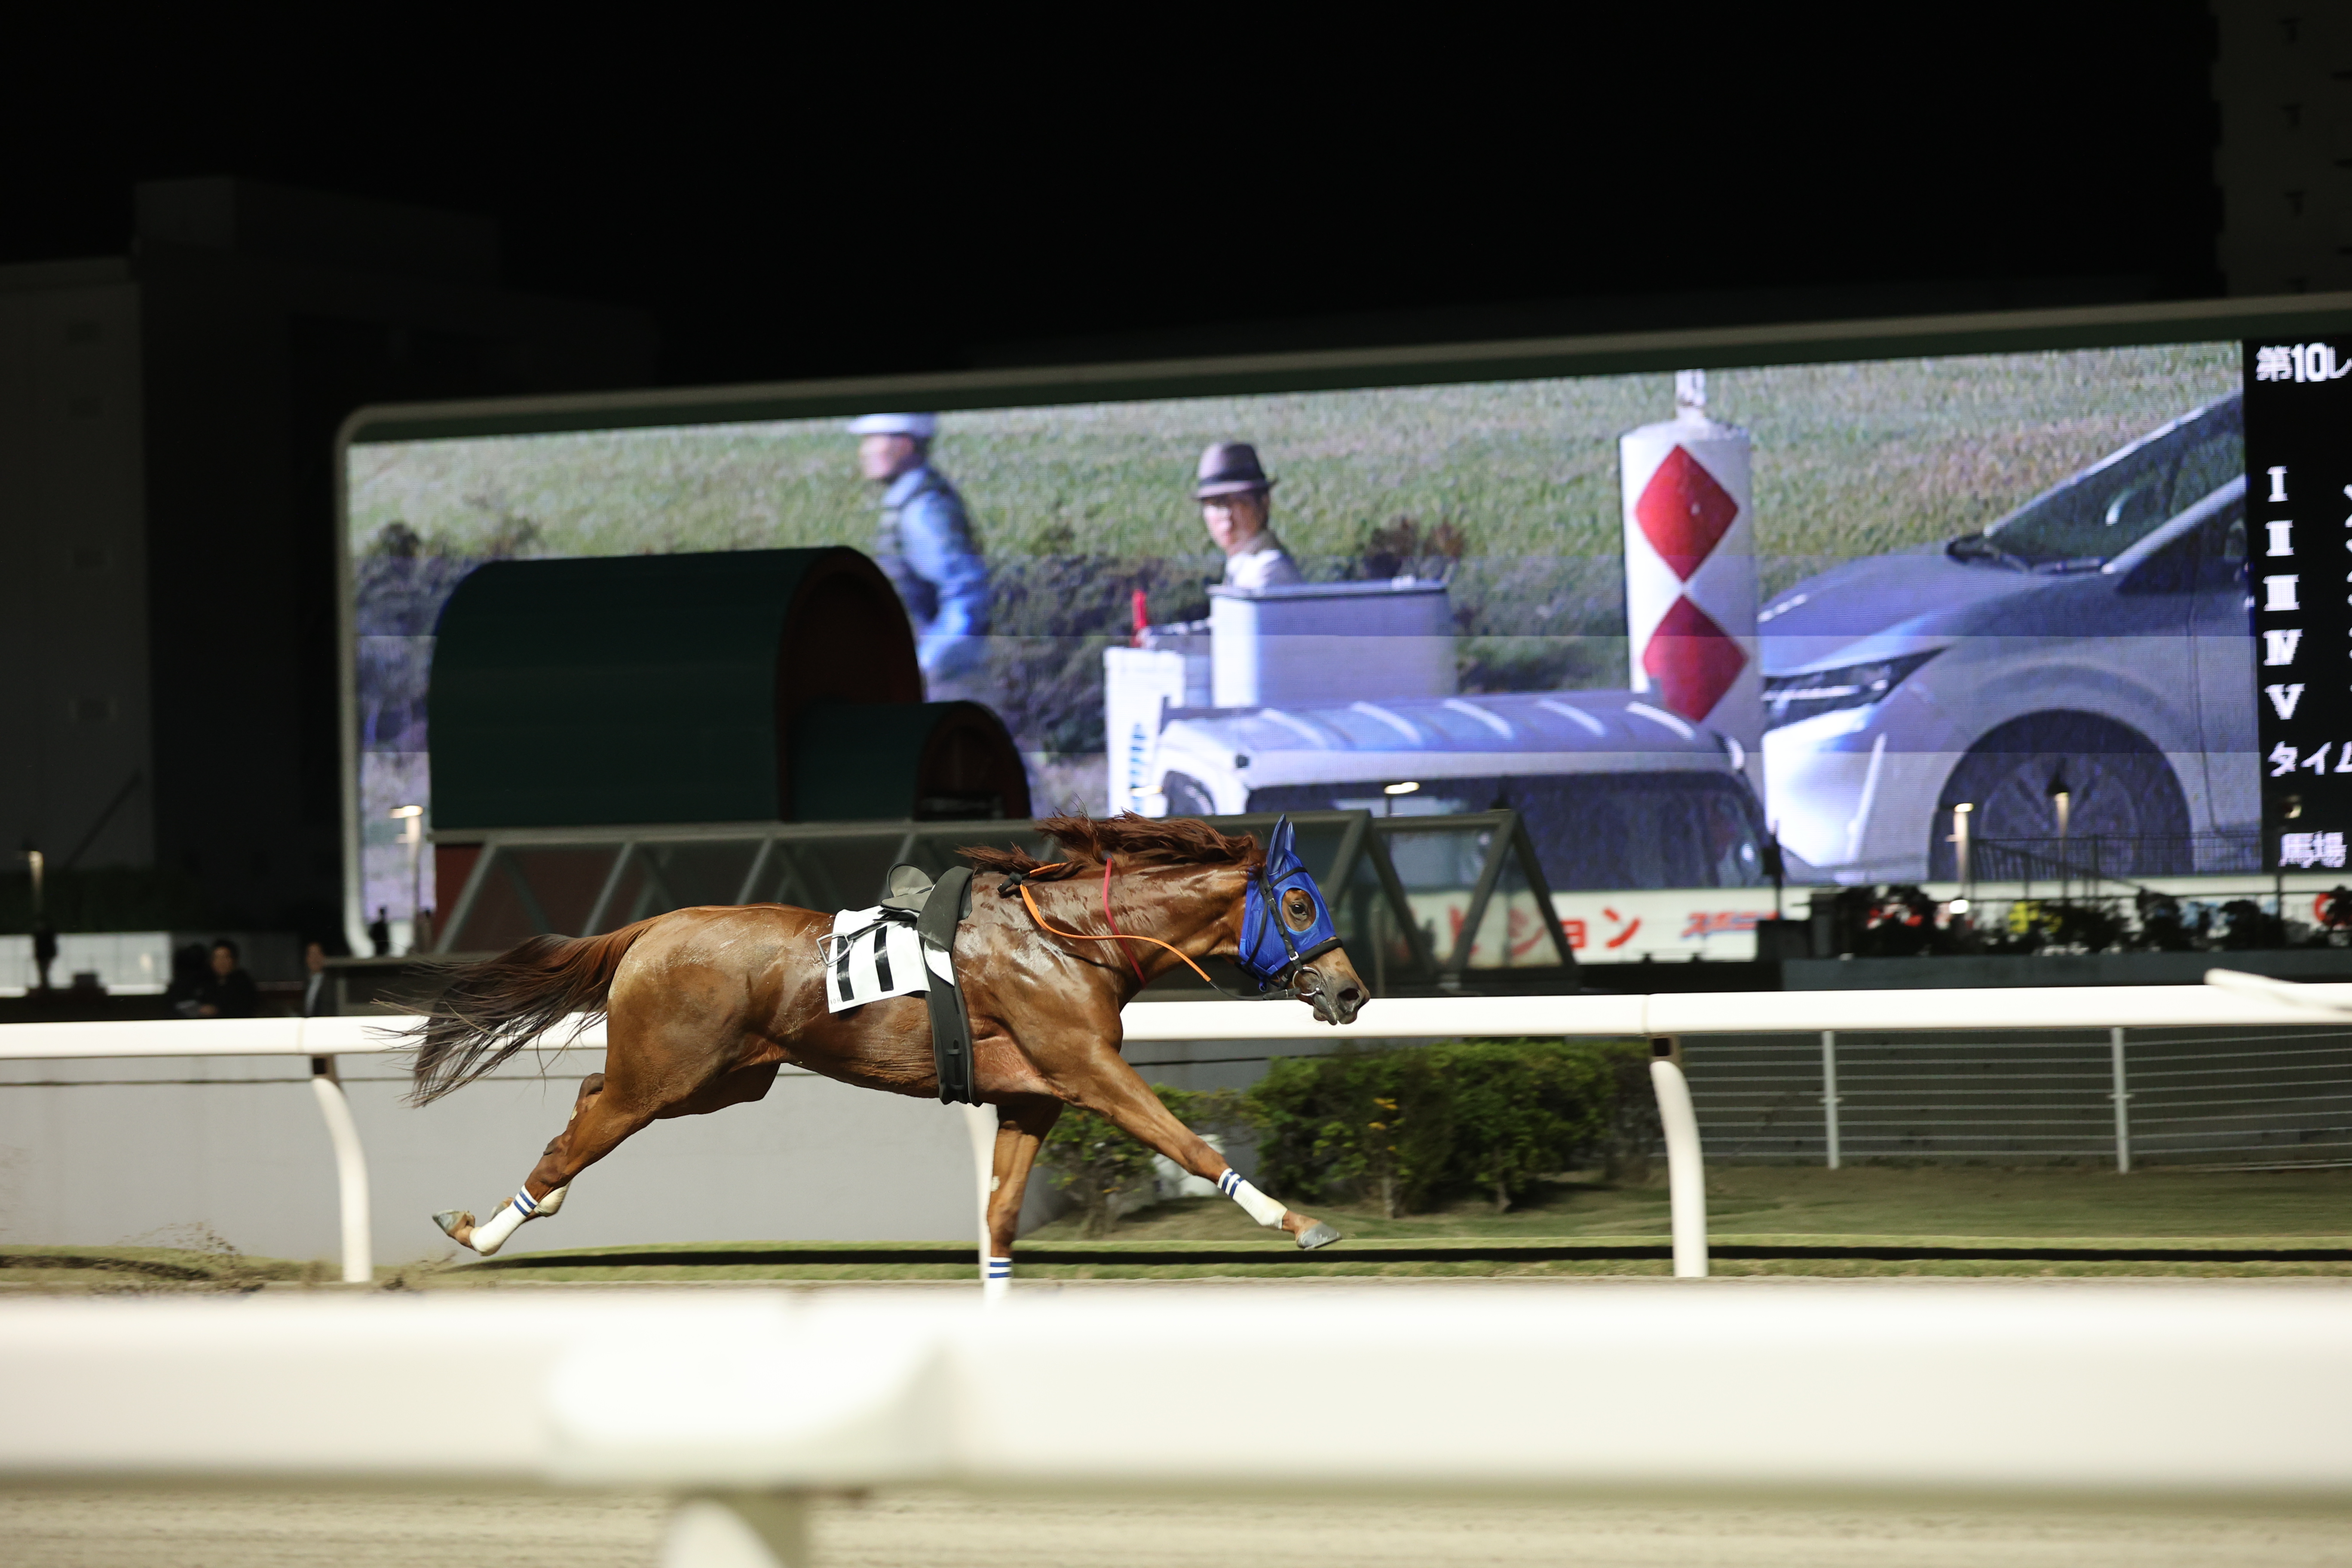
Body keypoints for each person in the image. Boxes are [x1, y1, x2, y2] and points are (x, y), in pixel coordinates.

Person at [850, 413, 990, 697]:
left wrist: (922, 667)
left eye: (874, 440)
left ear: (904, 445)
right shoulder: (915, 501)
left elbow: (967, 593)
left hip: (938, 685)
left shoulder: (922, 511)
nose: (864, 451)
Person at [1195, 441, 1303, 591]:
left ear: (1263, 503)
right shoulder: (1239, 566)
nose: (1227, 515)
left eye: (1239, 501)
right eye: (1216, 504)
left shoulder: (1270, 570)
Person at [194, 938, 259, 1019]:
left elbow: (245, 1009)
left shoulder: (243, 982)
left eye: (225, 957)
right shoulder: (205, 980)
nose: (221, 962)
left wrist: (217, 1011)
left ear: (234, 960)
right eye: (217, 958)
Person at [300, 939, 334, 1017]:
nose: (315, 959)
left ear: (323, 957)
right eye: (312, 955)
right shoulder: (304, 983)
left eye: (317, 954)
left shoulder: (333, 983)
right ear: (307, 959)